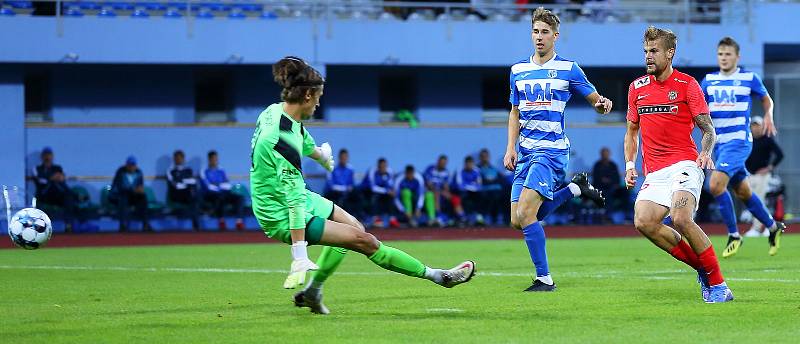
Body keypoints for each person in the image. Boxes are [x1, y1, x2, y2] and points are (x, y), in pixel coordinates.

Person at [249, 56, 475, 315]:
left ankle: (313, 292)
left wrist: (319, 154)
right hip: (279, 212)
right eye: (320, 97)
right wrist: (299, 254)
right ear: (309, 95)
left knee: (355, 226)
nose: (320, 103)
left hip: (288, 195)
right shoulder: (281, 141)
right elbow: (294, 202)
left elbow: (298, 133)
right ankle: (438, 276)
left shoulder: (274, 111)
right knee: (364, 240)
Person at [505, 7, 610, 292]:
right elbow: (514, 112)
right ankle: (575, 190)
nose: (539, 37)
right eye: (535, 32)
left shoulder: (568, 69)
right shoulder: (518, 70)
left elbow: (594, 99)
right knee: (519, 220)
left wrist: (602, 104)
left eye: (545, 33)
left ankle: (544, 278)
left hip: (550, 153)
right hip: (525, 153)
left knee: (527, 215)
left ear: (556, 36)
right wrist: (510, 148)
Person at [624, 26, 732, 303]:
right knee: (644, 222)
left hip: (685, 162)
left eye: (654, 51)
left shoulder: (687, 85)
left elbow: (708, 129)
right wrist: (629, 164)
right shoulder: (636, 88)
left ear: (670, 53)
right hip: (655, 171)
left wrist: (705, 152)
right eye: (646, 51)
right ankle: (702, 269)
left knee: (681, 217)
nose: (648, 56)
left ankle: (719, 285)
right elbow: (631, 132)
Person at [700, 36, 786, 257]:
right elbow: (698, 107)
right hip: (718, 145)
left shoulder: (749, 78)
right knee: (743, 191)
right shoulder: (709, 80)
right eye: (721, 54)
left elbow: (767, 99)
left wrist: (768, 115)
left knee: (716, 185)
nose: (724, 58)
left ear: (737, 56)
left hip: (738, 142)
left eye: (728, 54)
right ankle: (772, 226)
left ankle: (733, 235)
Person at [744, 116, 784, 237]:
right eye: (753, 126)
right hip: (749, 175)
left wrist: (769, 168)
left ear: (762, 127)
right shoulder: (748, 140)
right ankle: (763, 226)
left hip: (763, 176)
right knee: (751, 202)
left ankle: (764, 227)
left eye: (757, 126)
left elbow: (780, 155)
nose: (755, 128)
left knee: (759, 200)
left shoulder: (767, 140)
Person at [31, 147, 77, 232]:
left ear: (52, 156)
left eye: (49, 155)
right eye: (45, 155)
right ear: (42, 157)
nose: (47, 157)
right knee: (52, 186)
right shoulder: (37, 168)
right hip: (44, 195)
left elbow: (62, 178)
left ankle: (68, 225)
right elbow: (40, 180)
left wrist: (57, 178)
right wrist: (52, 178)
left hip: (57, 195)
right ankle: (39, 228)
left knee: (68, 195)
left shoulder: (57, 168)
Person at [201, 150, 245, 231]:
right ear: (209, 159)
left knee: (239, 198)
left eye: (216, 159)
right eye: (213, 159)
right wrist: (219, 187)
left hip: (224, 192)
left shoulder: (221, 170)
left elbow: (227, 184)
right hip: (210, 194)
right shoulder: (204, 171)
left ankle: (239, 222)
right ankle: (221, 221)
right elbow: (208, 186)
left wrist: (219, 185)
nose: (215, 161)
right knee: (220, 197)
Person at [110, 156, 150, 231]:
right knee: (123, 198)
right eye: (130, 165)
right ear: (126, 165)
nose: (132, 167)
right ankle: (122, 225)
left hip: (132, 196)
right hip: (119, 195)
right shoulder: (120, 172)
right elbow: (118, 187)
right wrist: (133, 190)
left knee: (143, 197)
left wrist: (140, 190)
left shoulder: (139, 172)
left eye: (133, 165)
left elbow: (140, 185)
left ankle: (145, 224)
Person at [423, 155, 463, 226]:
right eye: (441, 163)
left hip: (441, 192)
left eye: (445, 163)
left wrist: (445, 190)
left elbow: (446, 186)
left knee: (454, 198)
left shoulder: (446, 172)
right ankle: (438, 214)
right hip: (430, 191)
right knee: (436, 193)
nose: (443, 165)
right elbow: (428, 183)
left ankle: (461, 216)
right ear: (438, 162)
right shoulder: (430, 169)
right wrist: (437, 189)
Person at [166, 150, 201, 230]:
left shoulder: (188, 170)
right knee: (192, 193)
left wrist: (183, 182)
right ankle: (197, 222)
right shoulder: (170, 171)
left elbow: (193, 181)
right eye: (177, 158)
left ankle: (196, 226)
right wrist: (185, 182)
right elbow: (175, 185)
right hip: (176, 195)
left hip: (188, 194)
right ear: (174, 159)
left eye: (180, 158)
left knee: (194, 195)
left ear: (183, 159)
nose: (178, 160)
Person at [361, 158, 398, 228]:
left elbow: (390, 185)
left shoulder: (389, 172)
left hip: (382, 192)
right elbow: (373, 188)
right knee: (375, 196)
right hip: (366, 192)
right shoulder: (372, 171)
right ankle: (375, 218)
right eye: (381, 167)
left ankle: (392, 218)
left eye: (384, 166)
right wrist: (387, 191)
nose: (383, 168)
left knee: (391, 196)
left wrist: (391, 191)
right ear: (378, 166)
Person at [592, 147, 626, 221]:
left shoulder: (613, 165)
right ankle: (608, 216)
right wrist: (603, 181)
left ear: (609, 154)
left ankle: (627, 215)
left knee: (625, 192)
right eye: (604, 154)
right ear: (601, 155)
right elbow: (595, 179)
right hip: (600, 187)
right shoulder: (597, 165)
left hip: (612, 187)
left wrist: (610, 181)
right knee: (607, 194)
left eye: (607, 154)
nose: (605, 155)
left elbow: (617, 179)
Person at [323, 149, 359, 217]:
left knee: (356, 194)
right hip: (334, 192)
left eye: (345, 157)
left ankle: (358, 217)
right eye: (342, 157)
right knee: (332, 195)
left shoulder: (351, 169)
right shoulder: (332, 168)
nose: (344, 159)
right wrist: (344, 188)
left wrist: (349, 188)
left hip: (346, 193)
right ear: (339, 158)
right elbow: (330, 185)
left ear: (347, 158)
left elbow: (352, 184)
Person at [453, 155, 484, 226]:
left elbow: (479, 185)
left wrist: (469, 186)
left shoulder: (477, 170)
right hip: (462, 191)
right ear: (465, 164)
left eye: (471, 163)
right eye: (467, 163)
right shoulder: (460, 170)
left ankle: (479, 216)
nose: (469, 165)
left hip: (474, 192)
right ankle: (463, 218)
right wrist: (471, 186)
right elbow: (460, 185)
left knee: (481, 196)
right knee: (461, 196)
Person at [477, 149, 504, 225]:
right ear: (480, 157)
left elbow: (500, 179)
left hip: (496, 190)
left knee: (502, 196)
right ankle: (484, 217)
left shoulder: (493, 169)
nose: (485, 158)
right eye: (483, 156)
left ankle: (500, 218)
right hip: (484, 190)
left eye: (486, 156)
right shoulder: (477, 169)